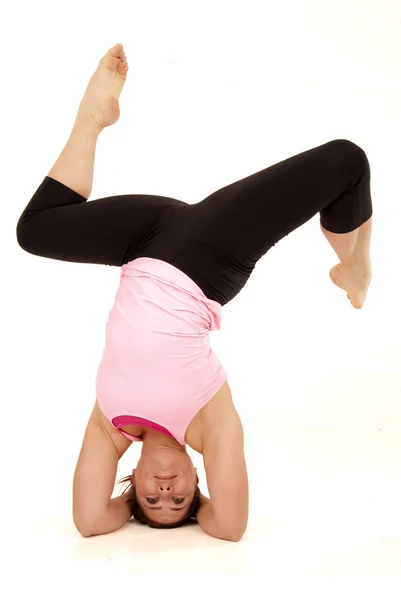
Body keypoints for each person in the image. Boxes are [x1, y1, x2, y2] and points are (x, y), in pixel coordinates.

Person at [16, 43, 373, 542]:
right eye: (180, 499)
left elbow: (90, 520)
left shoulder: (112, 426)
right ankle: (356, 265)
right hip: (205, 258)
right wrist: (195, 513)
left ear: (132, 481)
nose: (166, 489)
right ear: (198, 481)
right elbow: (229, 527)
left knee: (34, 231)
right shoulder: (208, 427)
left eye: (151, 499)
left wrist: (126, 512)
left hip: (140, 245)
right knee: (346, 161)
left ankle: (93, 119)